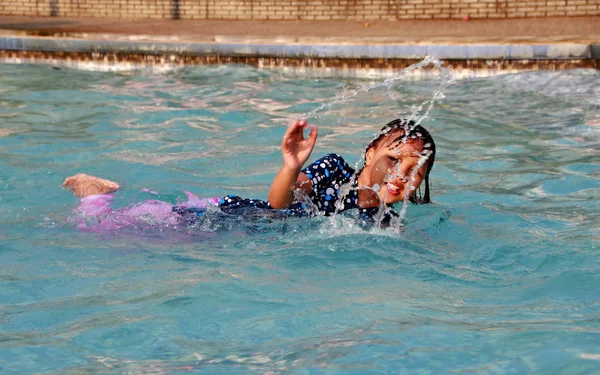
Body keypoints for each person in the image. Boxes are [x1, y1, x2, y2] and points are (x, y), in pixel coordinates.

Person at [62, 119, 435, 231]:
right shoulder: (336, 170)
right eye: (393, 159)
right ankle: (95, 197)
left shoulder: (389, 222)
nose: (400, 175)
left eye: (415, 170)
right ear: (370, 152)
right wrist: (291, 167)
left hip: (250, 239)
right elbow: (280, 201)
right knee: (107, 231)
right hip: (232, 218)